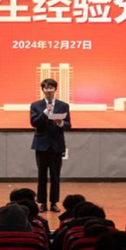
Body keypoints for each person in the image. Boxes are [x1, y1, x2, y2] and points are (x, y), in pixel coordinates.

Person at [29, 77, 71, 212]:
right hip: (41, 145)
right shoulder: (36, 105)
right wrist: (46, 112)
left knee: (55, 175)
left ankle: (53, 203)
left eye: (51, 87)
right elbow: (34, 123)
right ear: (43, 90)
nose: (48, 90)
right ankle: (42, 203)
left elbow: (68, 124)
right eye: (46, 88)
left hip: (56, 145)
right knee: (42, 175)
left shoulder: (63, 106)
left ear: (55, 89)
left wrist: (60, 123)